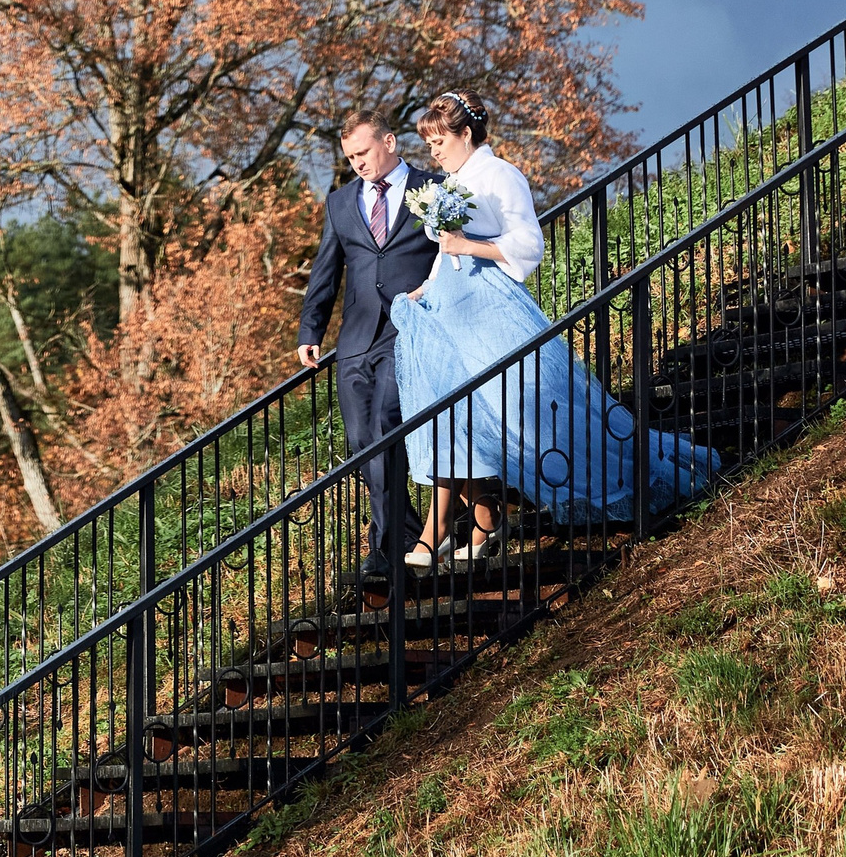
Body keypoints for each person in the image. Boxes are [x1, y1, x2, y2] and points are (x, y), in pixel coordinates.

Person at [390, 91, 720, 552]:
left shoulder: (500, 174)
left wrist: (470, 247)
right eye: (428, 144)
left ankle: (643, 475)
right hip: (452, 310)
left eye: (439, 140)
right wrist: (427, 286)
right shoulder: (450, 183)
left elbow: (528, 244)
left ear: (466, 134)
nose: (434, 151)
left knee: (532, 415)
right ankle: (471, 523)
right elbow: (447, 249)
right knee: (454, 414)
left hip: (490, 308)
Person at [296, 111, 443, 587]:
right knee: (362, 443)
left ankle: (387, 553)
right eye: (350, 157)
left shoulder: (433, 187)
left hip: (409, 328)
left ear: (390, 142)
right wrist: (309, 331)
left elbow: (453, 252)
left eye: (363, 152)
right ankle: (407, 536)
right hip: (355, 338)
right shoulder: (340, 202)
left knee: (385, 423)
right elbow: (326, 270)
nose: (357, 163)